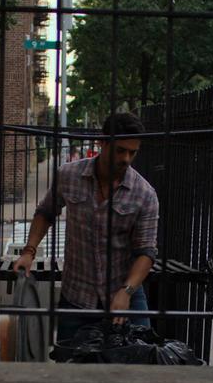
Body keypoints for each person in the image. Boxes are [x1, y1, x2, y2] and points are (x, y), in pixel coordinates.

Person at [12, 112, 159, 342]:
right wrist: (28, 252)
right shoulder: (69, 175)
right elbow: (45, 212)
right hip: (77, 297)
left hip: (124, 296)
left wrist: (127, 291)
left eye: (133, 152)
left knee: (137, 369)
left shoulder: (145, 194)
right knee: (71, 370)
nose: (127, 159)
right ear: (102, 142)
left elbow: (146, 251)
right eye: (121, 150)